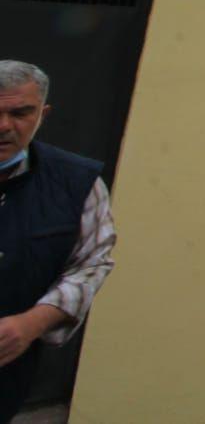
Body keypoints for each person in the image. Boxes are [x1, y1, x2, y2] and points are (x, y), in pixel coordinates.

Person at [0, 61, 115, 422]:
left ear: (43, 114)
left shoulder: (77, 183)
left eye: (20, 113)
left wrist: (32, 323)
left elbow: (92, 263)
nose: (4, 126)